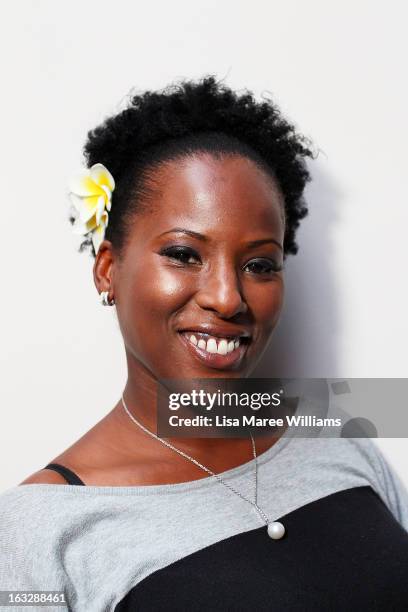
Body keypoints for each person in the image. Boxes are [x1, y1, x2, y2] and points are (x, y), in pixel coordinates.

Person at [0, 76, 408, 611]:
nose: (227, 297)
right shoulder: (41, 528)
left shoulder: (335, 428)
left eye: (259, 264)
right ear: (108, 269)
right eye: (184, 254)